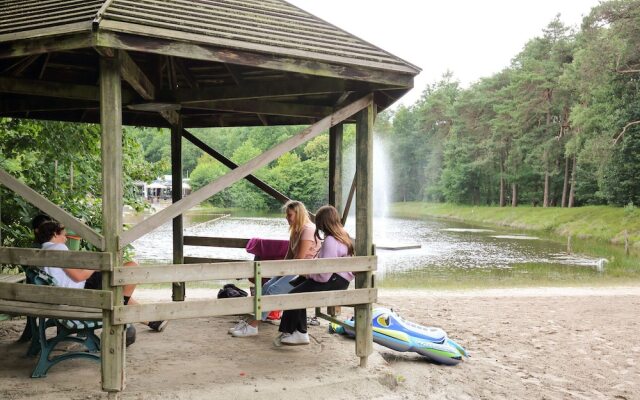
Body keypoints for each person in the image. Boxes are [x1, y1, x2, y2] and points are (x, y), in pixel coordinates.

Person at [36, 221, 167, 345]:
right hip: (80, 295)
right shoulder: (58, 248)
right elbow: (78, 277)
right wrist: (96, 265)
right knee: (132, 268)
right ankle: (122, 310)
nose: (65, 238)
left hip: (69, 295)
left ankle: (151, 321)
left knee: (120, 285)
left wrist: (94, 267)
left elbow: (70, 275)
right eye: (63, 235)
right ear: (54, 234)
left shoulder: (40, 251)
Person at [229, 200, 321, 337]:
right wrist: (278, 273)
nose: (286, 218)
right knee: (266, 286)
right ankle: (251, 321)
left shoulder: (308, 229)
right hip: (294, 269)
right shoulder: (295, 230)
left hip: (304, 272)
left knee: (273, 290)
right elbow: (288, 257)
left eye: (289, 215)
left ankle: (253, 325)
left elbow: (299, 260)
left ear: (299, 214)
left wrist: (282, 275)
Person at [274, 205, 354, 346]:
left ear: (323, 222)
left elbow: (324, 275)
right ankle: (299, 331)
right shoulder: (343, 234)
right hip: (340, 280)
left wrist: (309, 275)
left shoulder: (330, 240)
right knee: (298, 289)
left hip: (332, 280)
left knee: (294, 295)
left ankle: (295, 332)